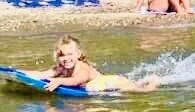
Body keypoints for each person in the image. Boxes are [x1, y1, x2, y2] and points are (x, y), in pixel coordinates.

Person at [24, 35, 159, 93]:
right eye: (62, 55)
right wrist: (17, 72)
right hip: (96, 87)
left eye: (70, 54)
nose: (66, 58)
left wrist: (58, 81)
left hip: (113, 82)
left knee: (140, 91)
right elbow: (41, 74)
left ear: (78, 54)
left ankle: (154, 83)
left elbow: (76, 80)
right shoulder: (61, 68)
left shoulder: (83, 68)